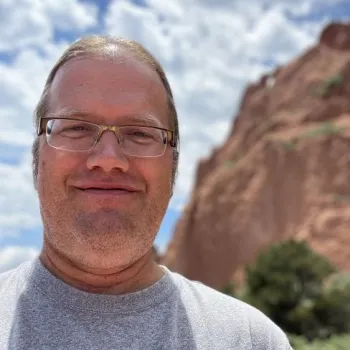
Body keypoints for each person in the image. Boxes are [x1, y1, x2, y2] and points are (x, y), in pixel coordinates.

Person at [0, 35, 293, 350]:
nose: (108, 159)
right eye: (76, 127)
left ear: (173, 168)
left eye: (140, 133)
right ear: (37, 158)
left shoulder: (251, 341)